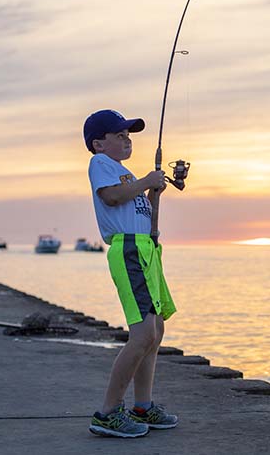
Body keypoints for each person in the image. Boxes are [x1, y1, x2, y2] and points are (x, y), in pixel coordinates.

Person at [83, 109, 178, 438]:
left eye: (129, 135)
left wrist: (152, 194)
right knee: (142, 335)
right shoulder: (101, 165)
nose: (127, 139)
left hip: (147, 250)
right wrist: (144, 183)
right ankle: (107, 412)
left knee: (156, 330)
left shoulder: (125, 174)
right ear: (99, 143)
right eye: (119, 135)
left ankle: (143, 405)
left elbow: (135, 207)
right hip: (129, 251)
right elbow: (110, 199)